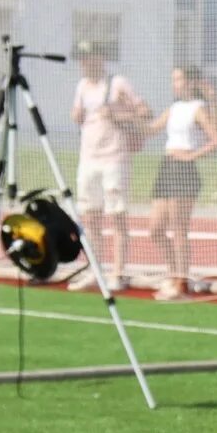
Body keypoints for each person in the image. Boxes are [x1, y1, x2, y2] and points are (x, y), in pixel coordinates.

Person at [68, 40, 147, 292]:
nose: (83, 63)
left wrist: (117, 114)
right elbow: (78, 113)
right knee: (90, 216)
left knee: (117, 216)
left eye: (88, 57)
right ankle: (94, 269)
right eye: (81, 58)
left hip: (114, 157)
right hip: (88, 157)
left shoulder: (118, 83)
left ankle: (118, 272)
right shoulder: (82, 86)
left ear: (100, 57)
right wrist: (77, 115)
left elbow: (144, 112)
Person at [146, 65, 217, 301]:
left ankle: (181, 282)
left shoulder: (198, 108)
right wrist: (132, 113)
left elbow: (216, 139)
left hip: (183, 168)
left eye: (178, 79)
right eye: (173, 79)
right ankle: (172, 272)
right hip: (166, 166)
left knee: (178, 229)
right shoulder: (174, 108)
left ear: (190, 82)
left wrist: (191, 156)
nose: (174, 83)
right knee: (155, 228)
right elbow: (149, 130)